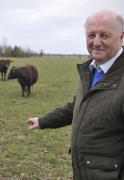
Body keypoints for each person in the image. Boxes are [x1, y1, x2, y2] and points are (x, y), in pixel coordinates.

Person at [27, 9, 124, 180]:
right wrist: (43, 121)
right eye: (91, 35)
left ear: (121, 37)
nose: (96, 42)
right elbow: (79, 105)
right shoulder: (92, 70)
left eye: (104, 35)